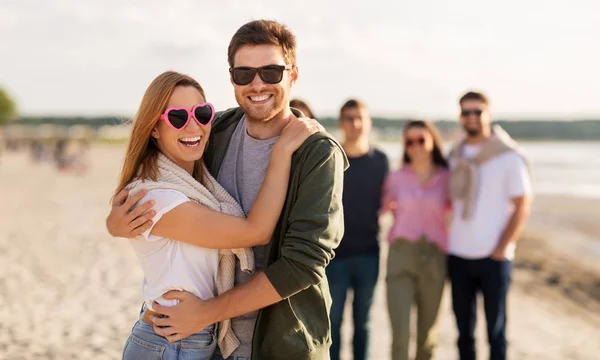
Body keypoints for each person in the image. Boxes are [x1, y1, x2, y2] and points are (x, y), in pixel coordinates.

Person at [106, 19, 348, 360]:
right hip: (211, 343)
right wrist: (117, 223)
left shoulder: (316, 153)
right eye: (244, 73)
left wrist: (208, 312)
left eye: (271, 72)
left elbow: (304, 264)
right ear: (232, 77)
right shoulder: (214, 130)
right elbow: (160, 171)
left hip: (281, 344)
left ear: (292, 75)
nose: (257, 83)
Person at [447, 91, 532, 360]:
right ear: (461, 116)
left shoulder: (508, 156)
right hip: (459, 253)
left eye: (477, 112)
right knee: (464, 333)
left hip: (494, 257)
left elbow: (522, 205)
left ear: (488, 115)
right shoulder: (455, 155)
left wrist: (501, 248)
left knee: (496, 333)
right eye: (466, 112)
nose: (471, 117)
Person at [381, 120, 450, 360]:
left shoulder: (447, 177)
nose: (416, 146)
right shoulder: (395, 177)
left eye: (421, 139)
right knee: (400, 335)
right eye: (410, 141)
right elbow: (379, 209)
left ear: (432, 140)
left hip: (434, 257)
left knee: (427, 337)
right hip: (401, 255)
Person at [327, 99, 388, 360]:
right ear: (341, 124)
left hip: (369, 254)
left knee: (363, 324)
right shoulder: (331, 157)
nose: (355, 124)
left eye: (360, 118)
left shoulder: (381, 161)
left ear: (368, 122)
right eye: (349, 118)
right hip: (334, 255)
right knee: (333, 323)